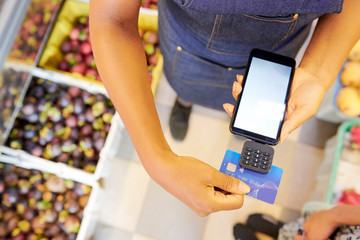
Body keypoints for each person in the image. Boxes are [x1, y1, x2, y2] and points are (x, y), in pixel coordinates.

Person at [89, 0, 360, 216]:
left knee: (249, 108)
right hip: (188, 49)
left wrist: (317, 73)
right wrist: (156, 159)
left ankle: (245, 123)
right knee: (186, 88)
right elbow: (113, 20)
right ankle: (184, 103)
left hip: (275, 58)